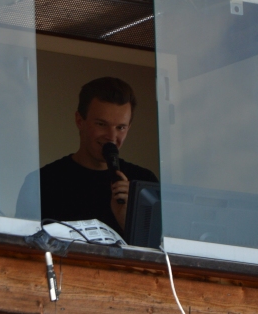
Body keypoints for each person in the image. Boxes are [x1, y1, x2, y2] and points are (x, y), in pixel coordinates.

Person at [17, 77, 157, 238]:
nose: (111, 137)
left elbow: (161, 249)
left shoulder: (145, 185)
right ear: (79, 121)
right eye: (101, 124)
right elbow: (21, 245)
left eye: (120, 127)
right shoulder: (42, 182)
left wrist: (129, 220)